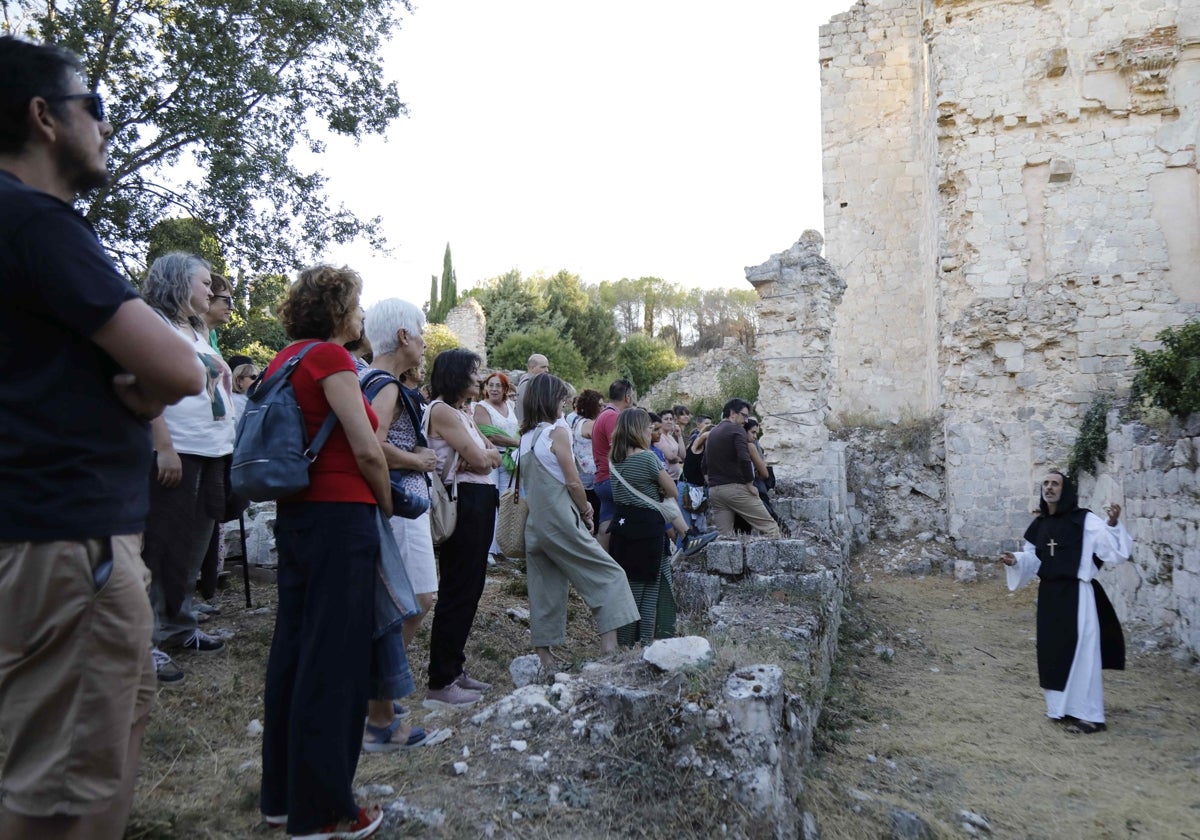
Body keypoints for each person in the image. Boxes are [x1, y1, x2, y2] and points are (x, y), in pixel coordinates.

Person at [0, 35, 204, 840]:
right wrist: (150, 381)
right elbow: (181, 369)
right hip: (66, 537)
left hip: (50, 535)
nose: (108, 128)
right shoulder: (38, 224)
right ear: (44, 116)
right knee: (59, 787)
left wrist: (143, 382)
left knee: (110, 735)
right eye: (98, 108)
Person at [258, 265, 392, 838]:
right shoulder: (332, 359)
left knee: (293, 651)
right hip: (342, 518)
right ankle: (324, 811)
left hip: (299, 517)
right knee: (336, 662)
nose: (363, 314)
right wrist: (385, 505)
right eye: (358, 305)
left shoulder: (283, 360)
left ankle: (282, 797)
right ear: (340, 310)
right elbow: (366, 450)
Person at [141, 252, 236, 681]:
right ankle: (143, 642)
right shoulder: (152, 323)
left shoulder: (197, 330)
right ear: (178, 283)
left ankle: (179, 627)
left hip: (212, 447)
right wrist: (163, 446)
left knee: (194, 543)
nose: (210, 291)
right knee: (160, 544)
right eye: (203, 284)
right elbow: (145, 385)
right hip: (178, 447)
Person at [518, 375, 639, 671]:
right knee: (608, 573)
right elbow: (573, 481)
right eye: (561, 398)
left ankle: (545, 659)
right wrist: (586, 510)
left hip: (536, 524)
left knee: (544, 587)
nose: (564, 404)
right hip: (560, 520)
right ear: (550, 400)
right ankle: (609, 649)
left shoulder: (525, 437)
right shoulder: (556, 433)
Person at [360, 297, 438, 749]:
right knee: (413, 601)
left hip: (385, 504)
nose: (425, 343)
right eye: (421, 333)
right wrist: (418, 459)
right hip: (397, 504)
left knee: (405, 603)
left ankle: (378, 695)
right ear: (404, 337)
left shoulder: (362, 376)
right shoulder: (386, 384)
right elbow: (372, 444)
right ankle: (377, 697)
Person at [1000, 471, 1132, 734]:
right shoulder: (1040, 524)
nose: (1049, 487)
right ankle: (1060, 710)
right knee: (1053, 653)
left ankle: (1091, 716)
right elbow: (1033, 558)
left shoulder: (1085, 520)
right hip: (1050, 596)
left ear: (1065, 489)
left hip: (1077, 595)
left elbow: (1112, 550)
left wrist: (1114, 525)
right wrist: (1016, 561)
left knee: (1083, 655)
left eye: (1055, 483)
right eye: (1046, 483)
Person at [424, 348, 503, 706]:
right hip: (465, 503)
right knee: (458, 588)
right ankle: (441, 681)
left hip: (478, 500)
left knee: (471, 588)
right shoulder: (441, 411)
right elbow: (479, 458)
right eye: (474, 373)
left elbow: (493, 456)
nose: (480, 379)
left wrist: (484, 457)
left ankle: (454, 669)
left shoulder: (462, 412)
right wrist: (483, 458)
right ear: (456, 374)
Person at [608, 409, 691, 645]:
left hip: (622, 529)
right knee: (650, 590)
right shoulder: (647, 458)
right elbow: (673, 491)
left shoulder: (614, 458)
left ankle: (624, 641)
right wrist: (660, 489)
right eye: (646, 427)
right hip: (648, 530)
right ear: (637, 430)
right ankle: (645, 642)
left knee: (629, 590)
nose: (649, 431)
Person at [704, 399, 781, 538]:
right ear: (733, 413)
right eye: (744, 416)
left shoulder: (713, 432)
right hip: (736, 490)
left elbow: (704, 464)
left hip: (715, 491)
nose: (746, 421)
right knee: (771, 529)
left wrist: (711, 482)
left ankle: (725, 560)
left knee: (724, 539)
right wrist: (749, 483)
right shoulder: (737, 430)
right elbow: (744, 458)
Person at [474, 370, 520, 561]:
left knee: (508, 502)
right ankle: (488, 549)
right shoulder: (481, 407)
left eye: (498, 385)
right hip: (493, 458)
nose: (493, 389)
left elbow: (517, 429)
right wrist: (516, 442)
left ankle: (505, 546)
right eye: (490, 385)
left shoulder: (511, 405)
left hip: (510, 460)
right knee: (491, 503)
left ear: (505, 389)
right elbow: (489, 434)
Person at [591, 379, 635, 551]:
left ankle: (602, 564)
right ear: (627, 397)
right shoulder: (613, 417)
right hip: (613, 479)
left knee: (606, 523)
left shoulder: (604, 414)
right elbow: (619, 449)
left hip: (603, 478)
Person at [571, 389, 604, 532]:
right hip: (591, 474)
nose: (603, 409)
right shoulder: (590, 424)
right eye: (600, 405)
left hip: (583, 472)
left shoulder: (578, 422)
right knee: (596, 517)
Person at [513, 352, 549, 424]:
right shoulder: (528, 385)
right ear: (532, 368)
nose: (547, 370)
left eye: (547, 367)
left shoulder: (532, 383)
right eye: (543, 367)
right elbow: (533, 410)